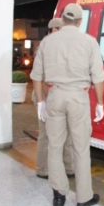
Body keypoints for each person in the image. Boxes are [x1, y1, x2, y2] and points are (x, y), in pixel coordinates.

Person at [30, 3, 104, 206]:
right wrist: (100, 103)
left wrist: (41, 101)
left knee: (54, 147)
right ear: (80, 21)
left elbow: (36, 76)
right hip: (78, 98)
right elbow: (98, 77)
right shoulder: (89, 42)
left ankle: (58, 196)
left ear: (62, 19)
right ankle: (83, 198)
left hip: (54, 96)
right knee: (80, 149)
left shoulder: (47, 42)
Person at [32, 18, 75, 180]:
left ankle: (69, 167)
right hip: (45, 96)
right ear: (54, 30)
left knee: (67, 133)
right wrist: (44, 101)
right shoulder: (45, 47)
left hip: (59, 96)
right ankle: (43, 169)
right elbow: (40, 79)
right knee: (46, 134)